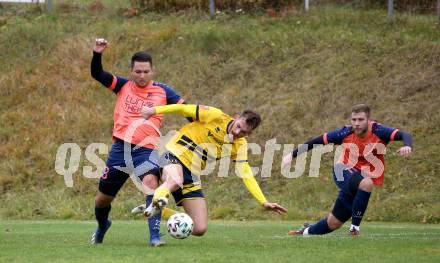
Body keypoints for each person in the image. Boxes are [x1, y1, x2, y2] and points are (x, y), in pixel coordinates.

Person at [132, 103, 287, 235]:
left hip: (192, 174)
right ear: (236, 117)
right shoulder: (215, 115)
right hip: (174, 154)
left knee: (199, 228)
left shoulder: (240, 146)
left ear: (250, 134)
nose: (237, 132)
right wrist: (154, 110)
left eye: (244, 132)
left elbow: (246, 174)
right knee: (175, 180)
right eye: (238, 126)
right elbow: (183, 109)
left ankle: (156, 209)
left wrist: (263, 201)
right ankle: (157, 201)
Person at [90, 38, 186, 246]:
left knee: (151, 183)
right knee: (102, 200)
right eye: (138, 72)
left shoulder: (163, 91)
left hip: (147, 150)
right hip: (120, 149)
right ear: (132, 71)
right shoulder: (123, 86)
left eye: (146, 71)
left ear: (153, 71)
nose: (142, 76)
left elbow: (185, 109)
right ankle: (102, 225)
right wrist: (97, 53)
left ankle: (155, 237)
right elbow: (97, 74)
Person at [282, 104, 412, 236]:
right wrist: (292, 155)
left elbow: (405, 135)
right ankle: (354, 229)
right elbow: (317, 141)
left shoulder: (380, 131)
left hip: (359, 178)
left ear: (369, 120)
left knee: (333, 223)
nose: (356, 123)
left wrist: (407, 146)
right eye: (353, 120)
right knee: (366, 183)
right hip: (341, 171)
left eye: (360, 120)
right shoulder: (345, 132)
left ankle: (305, 231)